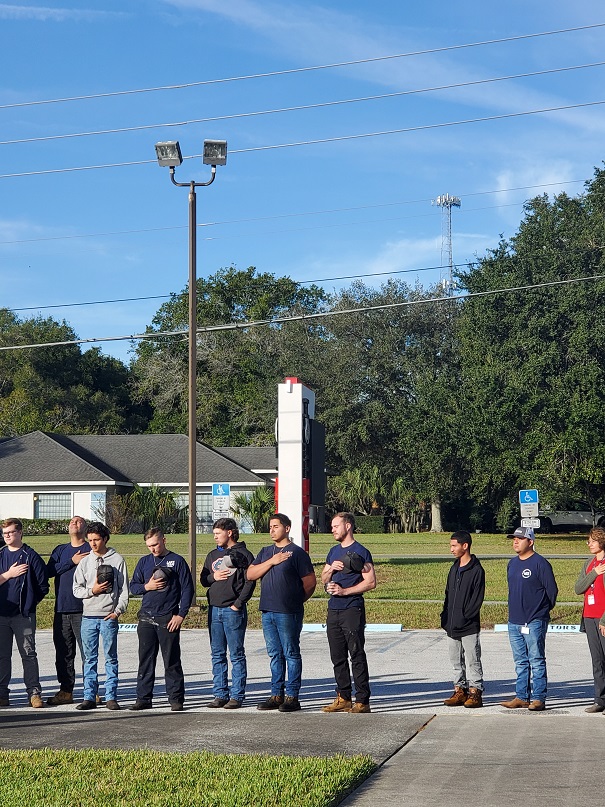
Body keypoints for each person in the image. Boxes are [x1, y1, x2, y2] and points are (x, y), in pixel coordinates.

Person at [247, 513, 316, 712]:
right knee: (275, 654)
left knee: (291, 653)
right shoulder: (266, 552)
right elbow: (250, 574)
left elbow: (310, 582)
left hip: (288, 612)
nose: (272, 530)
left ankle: (292, 696)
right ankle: (276, 694)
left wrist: (295, 600)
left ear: (287, 528)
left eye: (276, 526)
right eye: (270, 527)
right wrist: (272, 561)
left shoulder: (297, 553)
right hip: (267, 611)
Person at [129, 527, 194, 711]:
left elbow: (187, 589)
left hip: (168, 617)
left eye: (156, 544)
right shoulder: (144, 562)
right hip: (147, 618)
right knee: (145, 660)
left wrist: (181, 614)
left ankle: (175, 698)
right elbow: (133, 587)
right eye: (149, 546)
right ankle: (143, 698)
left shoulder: (177, 561)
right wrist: (147, 586)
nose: (153, 549)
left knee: (171, 660)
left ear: (164, 540)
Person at [320, 512, 376, 713]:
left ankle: (362, 700)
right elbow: (323, 579)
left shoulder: (361, 552)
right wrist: (330, 570)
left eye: (336, 526)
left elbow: (370, 582)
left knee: (356, 653)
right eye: (332, 526)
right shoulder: (333, 552)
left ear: (348, 526)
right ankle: (343, 697)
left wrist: (345, 591)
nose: (332, 529)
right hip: (333, 609)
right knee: (337, 656)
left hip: (352, 608)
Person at [500, 526, 558, 711]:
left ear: (531, 542)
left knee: (536, 659)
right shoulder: (512, 563)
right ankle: (521, 696)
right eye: (514, 538)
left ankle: (539, 697)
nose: (515, 541)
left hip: (534, 620)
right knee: (520, 661)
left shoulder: (540, 564)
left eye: (520, 538)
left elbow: (552, 592)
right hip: (514, 620)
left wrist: (540, 611)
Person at [73, 521, 129, 711]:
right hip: (88, 617)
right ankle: (89, 696)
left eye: (96, 539)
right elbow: (76, 589)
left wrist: (117, 611)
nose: (93, 544)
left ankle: (111, 696)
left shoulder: (117, 560)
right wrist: (92, 590)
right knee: (89, 658)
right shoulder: (84, 562)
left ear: (105, 538)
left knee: (111, 657)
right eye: (90, 540)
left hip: (108, 617)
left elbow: (124, 590)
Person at [200, 517, 256, 709]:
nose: (215, 537)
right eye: (214, 534)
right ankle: (220, 694)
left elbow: (251, 581)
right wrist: (212, 576)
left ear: (229, 532)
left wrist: (238, 604)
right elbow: (203, 580)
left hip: (233, 611)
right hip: (214, 610)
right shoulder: (212, 554)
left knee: (236, 654)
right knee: (217, 654)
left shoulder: (244, 554)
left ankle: (237, 695)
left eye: (218, 533)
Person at [0, 518, 49, 708]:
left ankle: (34, 693)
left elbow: (43, 586)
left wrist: (29, 603)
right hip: (2, 615)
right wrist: (8, 575)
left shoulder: (31, 556)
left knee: (28, 654)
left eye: (11, 532)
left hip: (23, 616)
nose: (7, 536)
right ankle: (2, 693)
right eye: (4, 533)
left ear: (20, 532)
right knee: (2, 656)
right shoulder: (1, 555)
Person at [46, 515, 91, 705]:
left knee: (88, 652)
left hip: (85, 610)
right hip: (62, 609)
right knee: (64, 652)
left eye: (79, 521)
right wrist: (71, 561)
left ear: (86, 527)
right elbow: (48, 572)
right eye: (72, 521)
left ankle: (91, 690)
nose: (75, 523)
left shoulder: (91, 548)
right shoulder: (60, 550)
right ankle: (66, 691)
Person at [441, 530, 486, 708]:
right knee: (455, 660)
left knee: (473, 658)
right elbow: (448, 594)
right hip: (451, 625)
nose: (451, 549)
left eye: (454, 545)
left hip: (468, 625)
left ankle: (475, 691)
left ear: (464, 546)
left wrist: (466, 616)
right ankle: (460, 689)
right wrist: (445, 616)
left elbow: (477, 599)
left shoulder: (476, 570)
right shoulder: (454, 568)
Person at [574, 526, 605, 713]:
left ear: (601, 542)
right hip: (589, 617)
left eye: (592, 541)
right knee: (597, 661)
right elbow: (579, 588)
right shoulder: (589, 563)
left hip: (602, 619)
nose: (589, 544)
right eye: (589, 541)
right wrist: (594, 573)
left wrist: (604, 620)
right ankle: (600, 699)